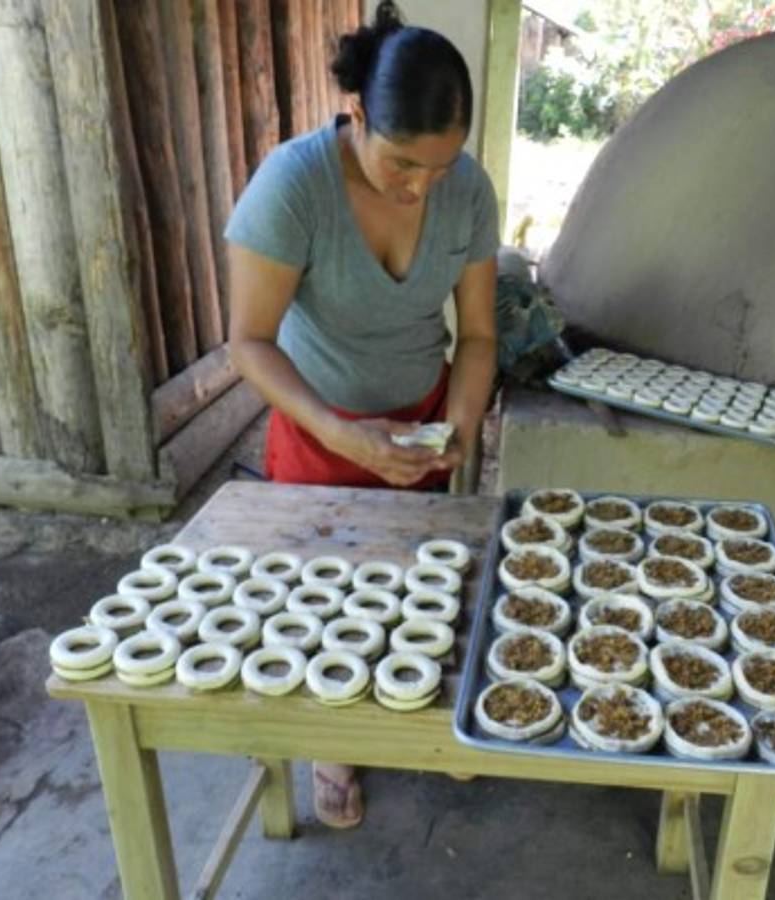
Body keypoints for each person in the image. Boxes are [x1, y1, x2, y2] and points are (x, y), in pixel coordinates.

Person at [225, 0, 498, 829]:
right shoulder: (294, 186)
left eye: (441, 168)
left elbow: (480, 335)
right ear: (356, 119)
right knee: (323, 606)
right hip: (318, 429)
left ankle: (420, 721)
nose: (420, 187)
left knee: (423, 597)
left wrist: (454, 431)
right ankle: (331, 744)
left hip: (422, 421)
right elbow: (248, 342)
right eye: (402, 165)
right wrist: (342, 433)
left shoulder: (465, 190)